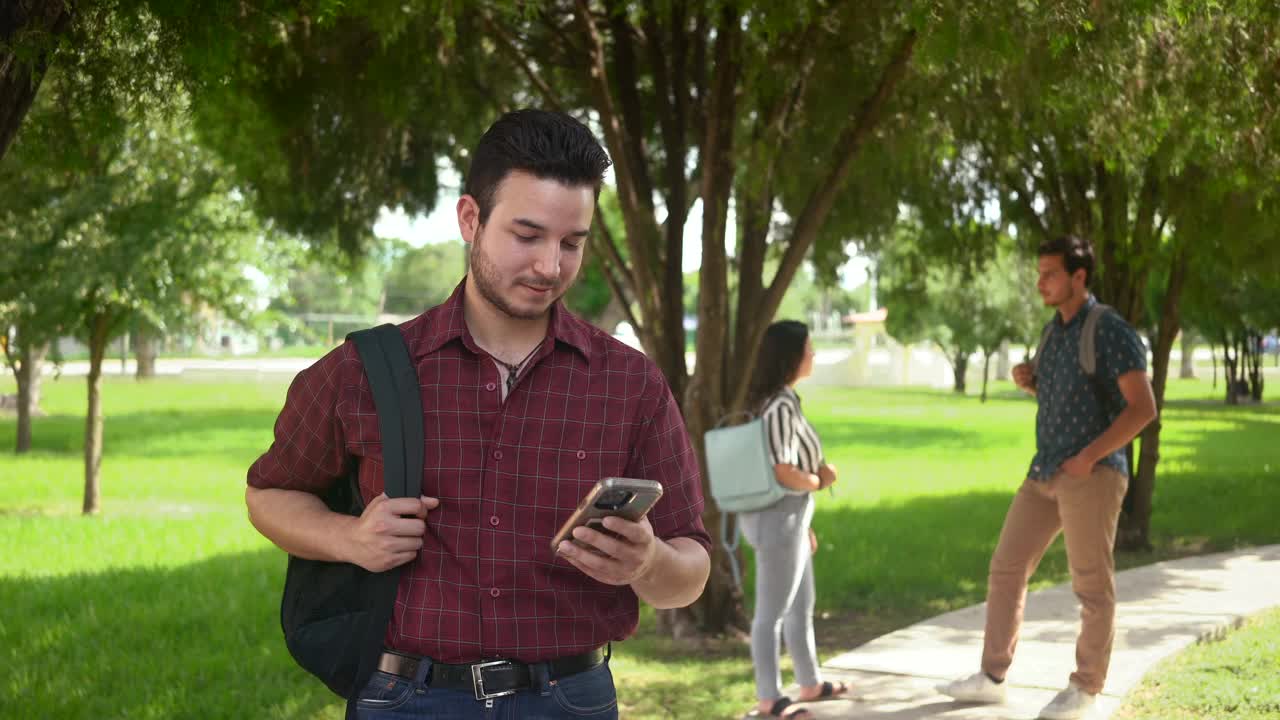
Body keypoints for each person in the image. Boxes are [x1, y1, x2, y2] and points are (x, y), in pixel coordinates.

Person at [245, 109, 712, 720]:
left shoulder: (631, 383)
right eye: (527, 235)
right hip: (406, 699)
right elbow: (268, 493)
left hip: (572, 699)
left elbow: (692, 569)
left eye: (572, 243)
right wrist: (349, 538)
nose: (550, 266)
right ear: (471, 219)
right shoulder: (367, 369)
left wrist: (649, 561)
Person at [937, 235, 1157, 720]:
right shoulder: (1053, 331)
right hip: (1045, 471)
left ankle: (1086, 689)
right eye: (1039, 274)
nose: (1041, 282)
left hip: (1091, 474)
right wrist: (1031, 380)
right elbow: (1069, 397)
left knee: (1091, 586)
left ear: (1079, 277)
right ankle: (992, 677)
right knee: (1007, 566)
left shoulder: (1109, 329)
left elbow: (1143, 408)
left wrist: (1088, 457)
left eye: (1050, 274)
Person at [739, 321, 849, 719]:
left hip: (791, 519)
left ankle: (809, 683)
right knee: (771, 613)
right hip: (777, 519)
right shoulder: (781, 406)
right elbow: (783, 470)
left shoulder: (783, 399)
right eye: (809, 347)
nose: (814, 353)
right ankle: (769, 698)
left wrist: (806, 523)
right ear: (791, 356)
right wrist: (820, 480)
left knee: (801, 605)